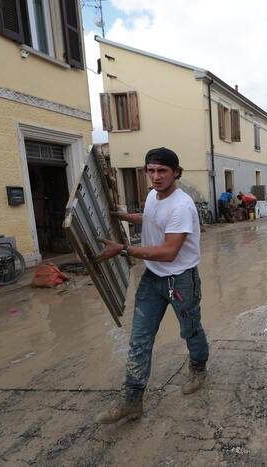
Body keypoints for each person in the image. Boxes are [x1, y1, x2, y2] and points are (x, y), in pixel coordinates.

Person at [95, 147, 209, 424]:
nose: (156, 177)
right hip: (152, 279)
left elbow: (169, 251)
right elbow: (153, 220)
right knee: (139, 339)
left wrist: (122, 249)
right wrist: (124, 216)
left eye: (162, 171)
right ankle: (132, 400)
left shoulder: (182, 206)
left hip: (181, 279)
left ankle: (198, 368)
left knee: (190, 329)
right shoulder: (152, 196)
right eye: (151, 171)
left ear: (176, 173)